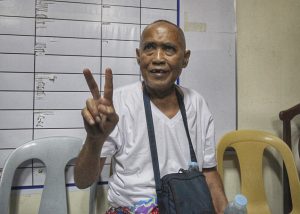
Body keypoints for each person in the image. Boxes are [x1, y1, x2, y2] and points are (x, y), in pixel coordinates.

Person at [74, 20, 228, 213]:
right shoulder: (117, 105)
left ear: (185, 58)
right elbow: (82, 181)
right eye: (149, 48)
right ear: (139, 56)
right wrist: (95, 140)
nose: (157, 58)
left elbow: (209, 173)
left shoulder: (196, 103)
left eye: (169, 49)